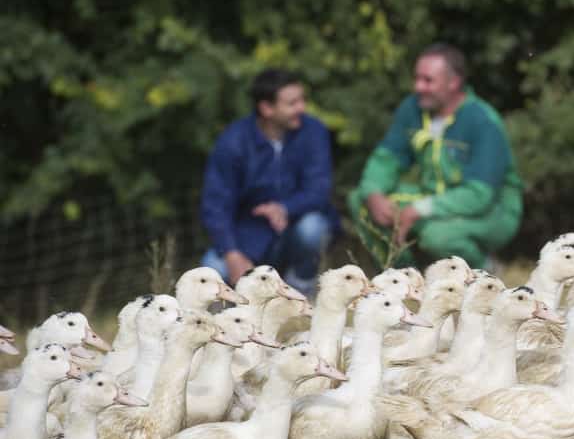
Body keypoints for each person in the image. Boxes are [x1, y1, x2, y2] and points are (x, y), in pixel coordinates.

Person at [348, 43, 523, 270]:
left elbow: (480, 195)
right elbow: (386, 158)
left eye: (428, 80)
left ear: (454, 82)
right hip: (433, 197)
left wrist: (420, 210)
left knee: (437, 237)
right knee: (360, 200)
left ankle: (484, 273)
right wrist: (374, 192)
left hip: (494, 210)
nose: (418, 86)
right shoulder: (412, 109)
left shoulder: (483, 121)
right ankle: (401, 277)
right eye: (416, 78)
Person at [199, 69, 340, 296]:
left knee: (313, 229)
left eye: (302, 100)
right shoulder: (233, 142)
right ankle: (228, 318)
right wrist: (232, 252)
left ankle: (302, 291)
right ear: (267, 108)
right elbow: (216, 205)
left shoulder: (314, 132)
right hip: (249, 233)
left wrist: (284, 208)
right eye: (292, 103)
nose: (301, 108)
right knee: (212, 268)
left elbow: (319, 189)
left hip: (297, 225)